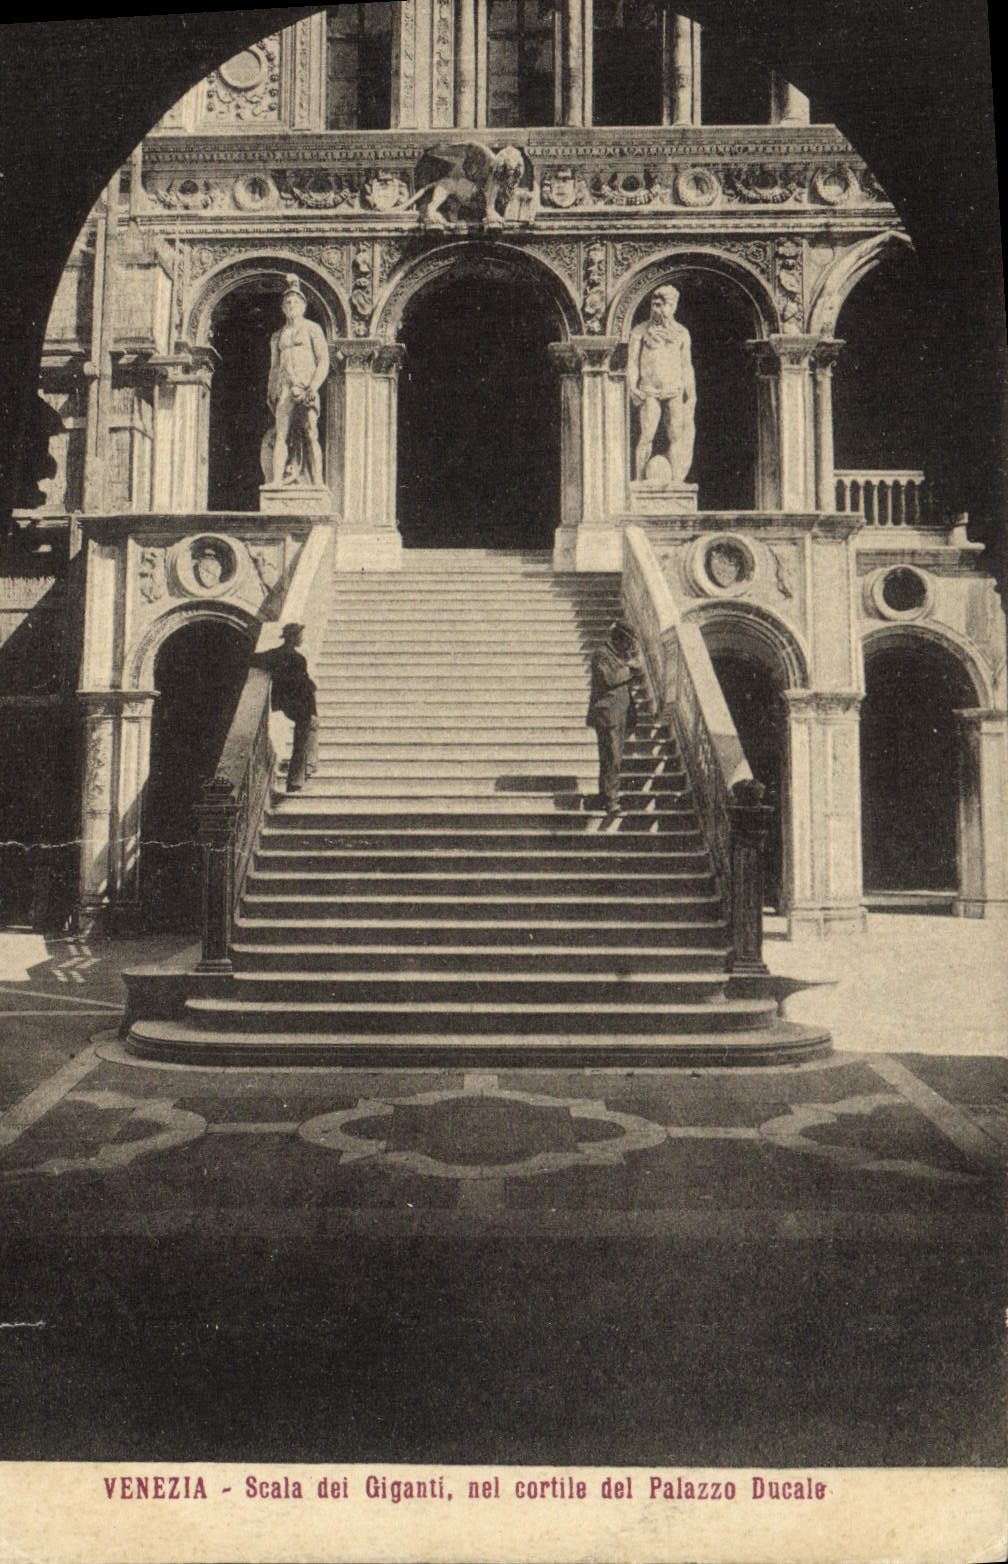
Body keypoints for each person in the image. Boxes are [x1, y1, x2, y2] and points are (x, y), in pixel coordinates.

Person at [626, 285, 696, 481]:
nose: (658, 309)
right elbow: (632, 363)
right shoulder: (640, 331)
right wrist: (632, 386)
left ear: (673, 307)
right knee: (647, 434)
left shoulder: (681, 333)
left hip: (674, 391)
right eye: (655, 304)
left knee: (676, 436)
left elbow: (686, 366)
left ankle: (675, 482)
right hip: (649, 391)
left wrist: (691, 395)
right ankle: (639, 480)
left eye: (664, 305)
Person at [267, 276, 330, 488]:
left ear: (303, 306)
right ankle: (276, 481)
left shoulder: (312, 329)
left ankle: (319, 482)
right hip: (285, 386)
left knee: (311, 432)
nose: (291, 305)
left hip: (307, 386)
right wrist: (271, 389)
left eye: (295, 302)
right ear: (283, 308)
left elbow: (323, 360)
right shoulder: (278, 336)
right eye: (287, 303)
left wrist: (314, 386)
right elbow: (275, 365)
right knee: (281, 432)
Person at [252, 623, 318, 793]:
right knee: (302, 741)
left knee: (306, 736)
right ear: (294, 637)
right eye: (300, 636)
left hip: (286, 703)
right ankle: (298, 779)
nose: (302, 639)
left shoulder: (275, 654)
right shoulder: (298, 659)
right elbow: (304, 685)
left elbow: (254, 658)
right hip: (301, 705)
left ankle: (304, 772)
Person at [586, 622, 639, 814]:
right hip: (607, 715)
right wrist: (629, 670)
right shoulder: (602, 654)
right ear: (620, 638)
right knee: (611, 758)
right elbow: (608, 679)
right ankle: (610, 801)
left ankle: (607, 797)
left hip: (619, 714)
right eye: (628, 643)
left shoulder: (617, 656)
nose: (629, 647)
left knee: (614, 758)